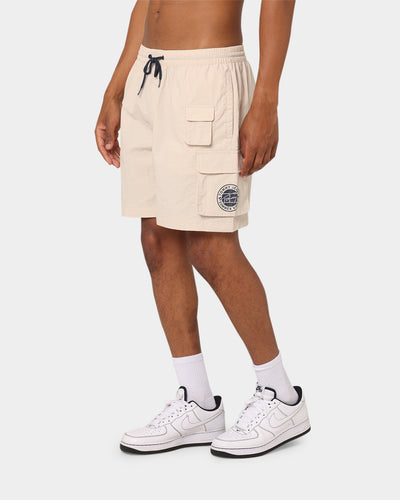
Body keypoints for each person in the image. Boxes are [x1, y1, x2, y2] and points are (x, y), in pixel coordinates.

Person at [95, 0, 310, 458]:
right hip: (149, 74)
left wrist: (266, 100)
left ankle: (281, 396)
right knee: (156, 239)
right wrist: (117, 88)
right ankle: (197, 401)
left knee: (211, 247)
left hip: (207, 76)